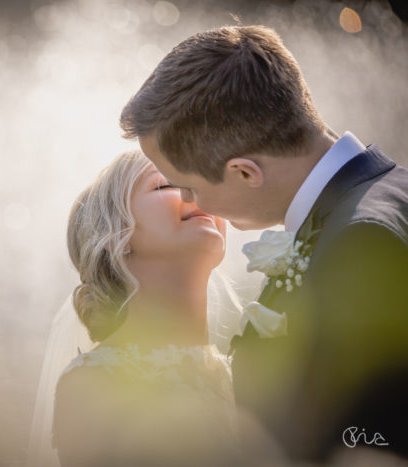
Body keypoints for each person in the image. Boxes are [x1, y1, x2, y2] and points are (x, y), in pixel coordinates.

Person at [120, 25, 408, 461]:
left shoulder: (360, 243)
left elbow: (376, 444)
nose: (188, 202)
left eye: (188, 187)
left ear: (245, 172)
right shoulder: (386, 195)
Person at [50, 150, 249, 467]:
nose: (197, 194)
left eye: (204, 182)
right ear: (115, 237)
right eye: (166, 185)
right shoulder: (94, 381)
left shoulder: (240, 376)